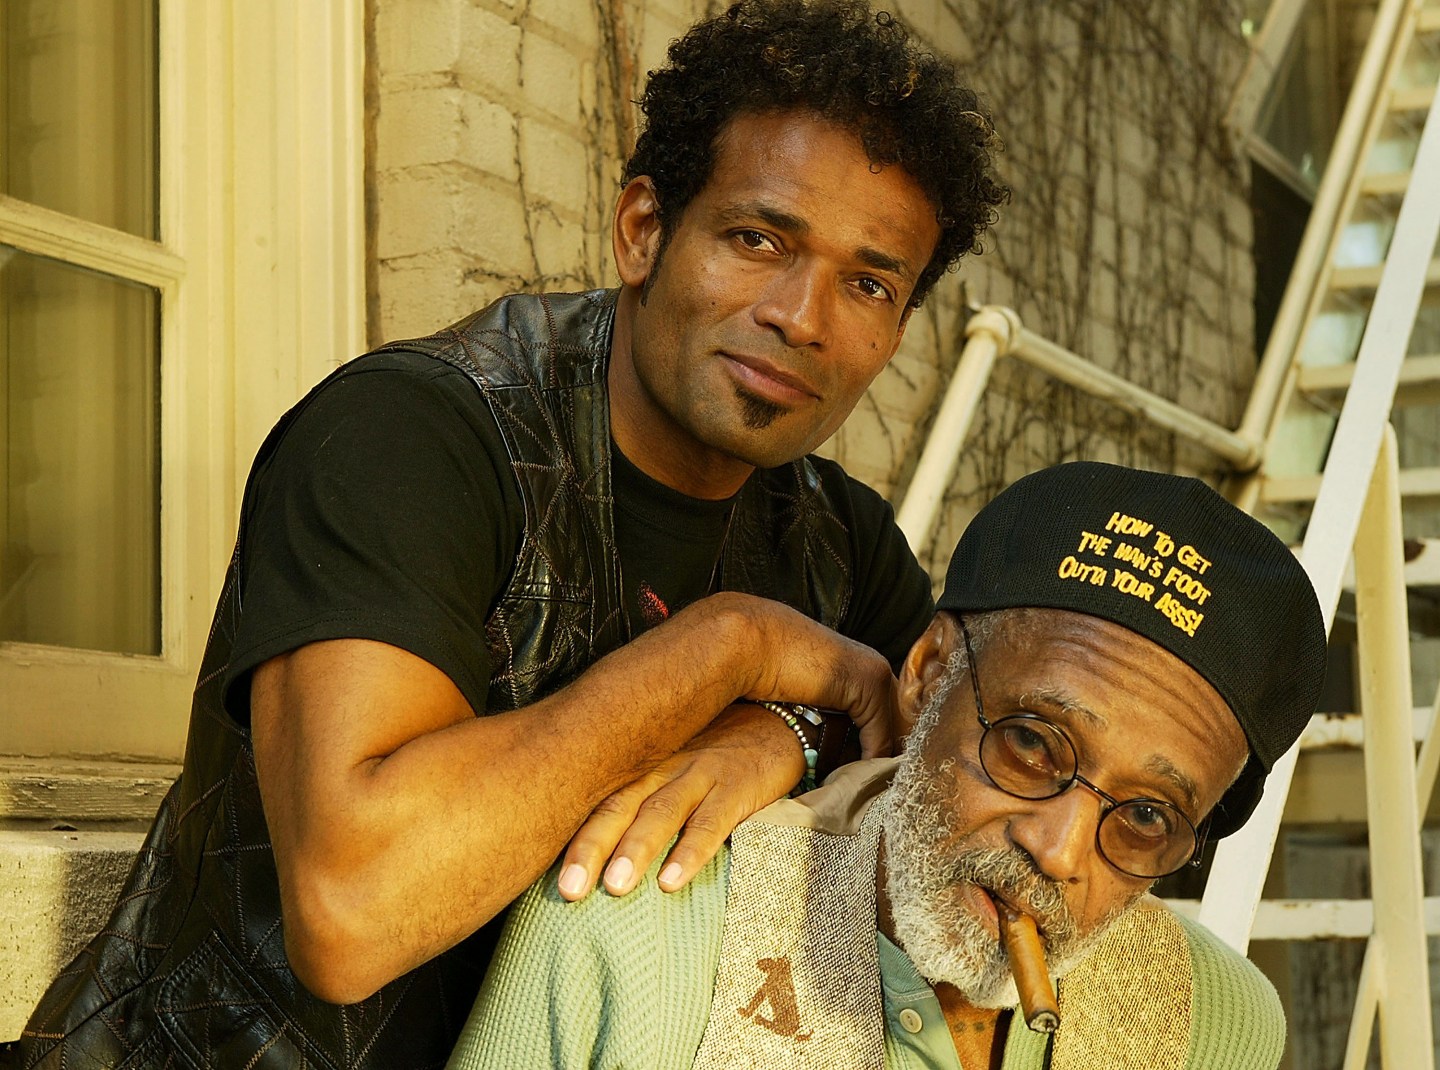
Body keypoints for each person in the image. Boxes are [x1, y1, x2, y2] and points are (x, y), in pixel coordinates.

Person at [9, 2, 1007, 1067]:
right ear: (642, 230)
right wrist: (732, 647)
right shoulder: (412, 433)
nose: (802, 316)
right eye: (758, 239)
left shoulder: (837, 537)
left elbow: (959, 776)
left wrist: (785, 735)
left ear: (896, 329)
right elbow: (354, 910)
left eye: (867, 283)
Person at [448, 461, 1328, 1070]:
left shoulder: (1217, 1024)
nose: (1059, 851)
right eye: (1031, 743)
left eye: (1145, 816)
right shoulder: (635, 933)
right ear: (928, 673)